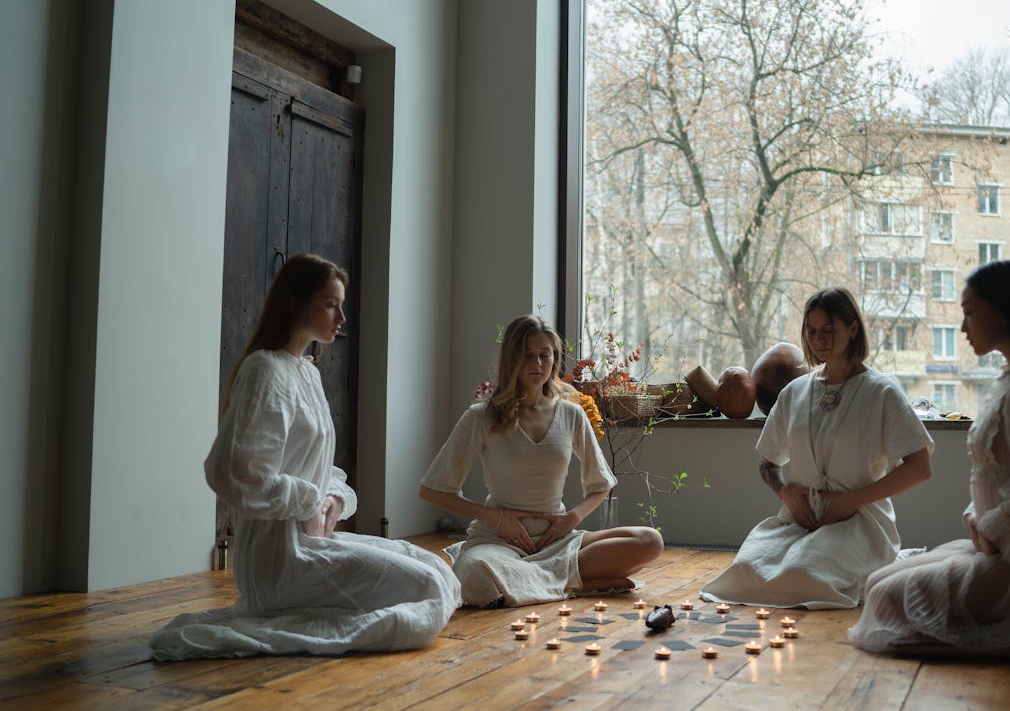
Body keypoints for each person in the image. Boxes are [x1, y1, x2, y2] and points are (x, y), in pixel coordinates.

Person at [151, 254, 460, 660]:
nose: (342, 317)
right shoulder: (264, 371)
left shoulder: (306, 372)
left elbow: (315, 465)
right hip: (280, 559)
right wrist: (307, 501)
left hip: (314, 539)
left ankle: (318, 610)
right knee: (429, 590)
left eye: (341, 305)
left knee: (439, 571)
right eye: (331, 304)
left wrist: (331, 499)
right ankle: (288, 615)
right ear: (294, 303)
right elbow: (231, 471)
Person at [848, 261, 1010, 653]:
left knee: (888, 598)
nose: (964, 328)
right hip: (1002, 547)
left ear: (1003, 312)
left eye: (969, 313)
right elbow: (999, 472)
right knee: (875, 585)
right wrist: (976, 515)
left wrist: (990, 528)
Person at [700, 288, 933, 609]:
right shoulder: (795, 392)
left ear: (853, 329)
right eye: (811, 332)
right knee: (746, 569)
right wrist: (785, 494)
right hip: (800, 519)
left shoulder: (882, 391)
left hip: (859, 523)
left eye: (828, 330)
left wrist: (851, 500)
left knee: (803, 573)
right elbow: (767, 462)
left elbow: (920, 467)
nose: (819, 339)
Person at [419, 314, 664, 607]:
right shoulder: (482, 416)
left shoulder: (571, 414)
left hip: (558, 542)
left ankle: (537, 582)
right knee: (474, 577)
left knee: (650, 541)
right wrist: (499, 519)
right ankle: (578, 584)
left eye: (544, 356)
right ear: (512, 359)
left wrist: (572, 518)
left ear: (555, 358)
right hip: (497, 543)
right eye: (527, 356)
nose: (537, 365)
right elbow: (432, 490)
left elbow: (600, 485)